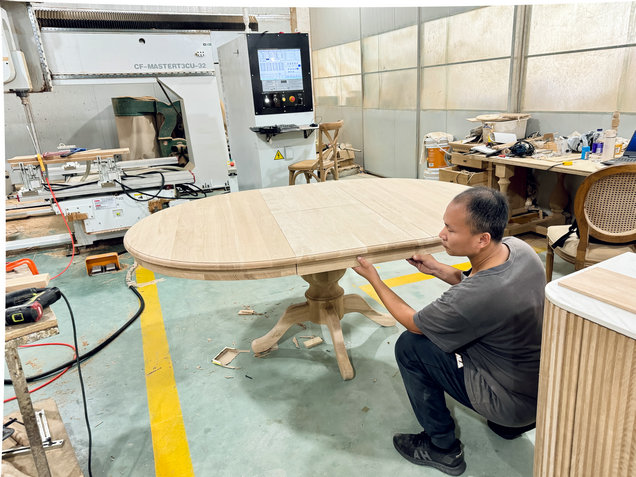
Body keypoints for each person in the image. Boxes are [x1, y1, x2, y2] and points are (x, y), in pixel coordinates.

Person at [352, 186, 545, 476]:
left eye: (451, 230)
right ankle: (506, 428)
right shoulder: (520, 250)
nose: (442, 234)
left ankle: (442, 449)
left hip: (508, 402)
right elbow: (479, 288)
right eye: (445, 224)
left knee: (410, 346)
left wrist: (375, 279)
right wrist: (438, 269)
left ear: (482, 239)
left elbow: (413, 322)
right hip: (537, 393)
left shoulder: (476, 295)